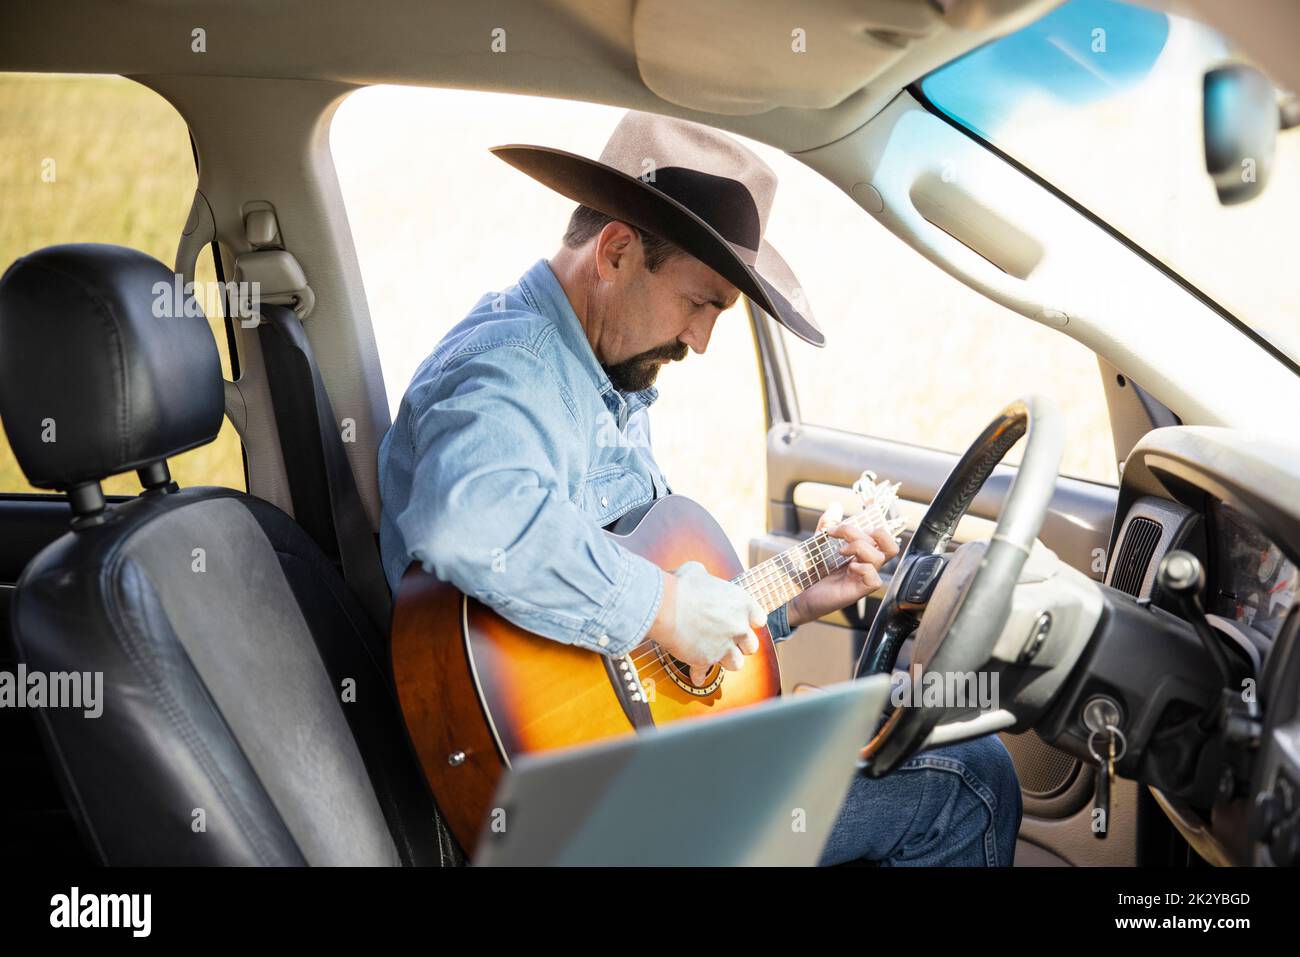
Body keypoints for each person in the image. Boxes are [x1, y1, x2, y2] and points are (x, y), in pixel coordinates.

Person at [378, 110, 1022, 865]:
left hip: (619, 775)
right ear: (616, 252)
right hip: (577, 815)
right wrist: (670, 606)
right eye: (701, 302)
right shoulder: (510, 368)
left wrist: (790, 596)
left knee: (903, 725)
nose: (702, 340)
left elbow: (624, 654)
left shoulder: (600, 374)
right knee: (963, 776)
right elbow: (477, 519)